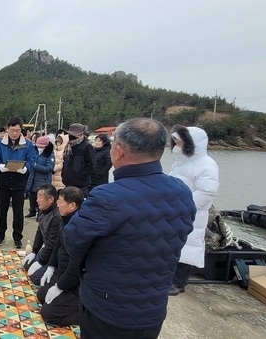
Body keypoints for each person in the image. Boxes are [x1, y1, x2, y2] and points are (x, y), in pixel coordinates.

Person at [62, 118, 196, 338]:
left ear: (120, 151)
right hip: (153, 308)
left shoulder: (107, 197)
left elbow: (73, 240)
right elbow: (180, 233)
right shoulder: (181, 191)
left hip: (108, 308)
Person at [168, 125, 220, 296]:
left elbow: (206, 192)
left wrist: (184, 206)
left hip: (192, 213)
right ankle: (169, 277)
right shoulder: (180, 163)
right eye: (175, 142)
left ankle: (179, 282)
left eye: (179, 142)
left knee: (188, 247)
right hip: (175, 210)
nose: (176, 145)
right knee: (173, 246)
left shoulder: (207, 165)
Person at [36, 186, 85, 326]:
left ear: (72, 205)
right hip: (61, 272)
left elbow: (75, 268)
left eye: (60, 201)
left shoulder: (79, 228)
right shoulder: (66, 220)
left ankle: (85, 314)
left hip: (75, 283)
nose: (57, 204)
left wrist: (59, 287)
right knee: (42, 295)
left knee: (48, 313)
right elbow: (57, 244)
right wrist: (51, 266)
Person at [0, 116, 38, 248]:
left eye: (17, 130)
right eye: (12, 130)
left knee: (18, 213)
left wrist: (27, 168)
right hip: (3, 182)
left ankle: (17, 237)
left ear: (21, 129)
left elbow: (32, 159)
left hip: (19, 183)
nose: (14, 133)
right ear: (7, 129)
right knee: (1, 211)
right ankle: (0, 235)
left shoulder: (27, 144)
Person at [21, 184, 62, 285]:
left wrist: (41, 262)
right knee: (27, 265)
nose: (37, 200)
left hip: (54, 255)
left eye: (40, 196)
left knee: (35, 278)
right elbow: (39, 231)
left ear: (51, 199)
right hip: (45, 249)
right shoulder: (43, 210)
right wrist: (34, 251)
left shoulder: (56, 217)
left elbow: (52, 244)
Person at [61, 123, 96, 197]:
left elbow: (92, 165)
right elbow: (65, 162)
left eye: (74, 135)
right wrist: (63, 174)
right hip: (68, 183)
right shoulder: (69, 146)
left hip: (81, 185)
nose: (71, 136)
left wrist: (80, 176)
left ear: (81, 134)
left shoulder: (87, 146)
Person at [25, 136, 55, 218]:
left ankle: (40, 214)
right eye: (38, 146)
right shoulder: (33, 152)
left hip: (43, 180)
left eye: (42, 147)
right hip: (32, 179)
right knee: (32, 196)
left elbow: (49, 168)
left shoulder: (50, 155)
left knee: (41, 198)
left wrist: (36, 166)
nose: (40, 148)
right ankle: (32, 211)